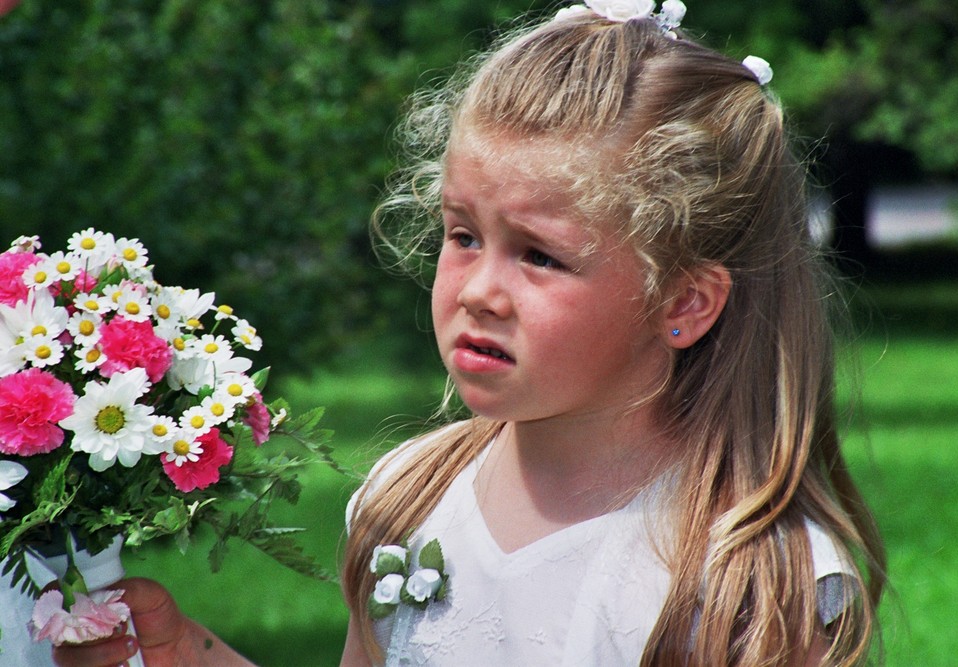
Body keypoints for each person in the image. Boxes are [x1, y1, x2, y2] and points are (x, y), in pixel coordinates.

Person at [53, 1, 886, 665]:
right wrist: (191, 657)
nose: (480, 290)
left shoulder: (746, 582)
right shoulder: (408, 500)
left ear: (684, 302)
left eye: (541, 256)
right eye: (462, 235)